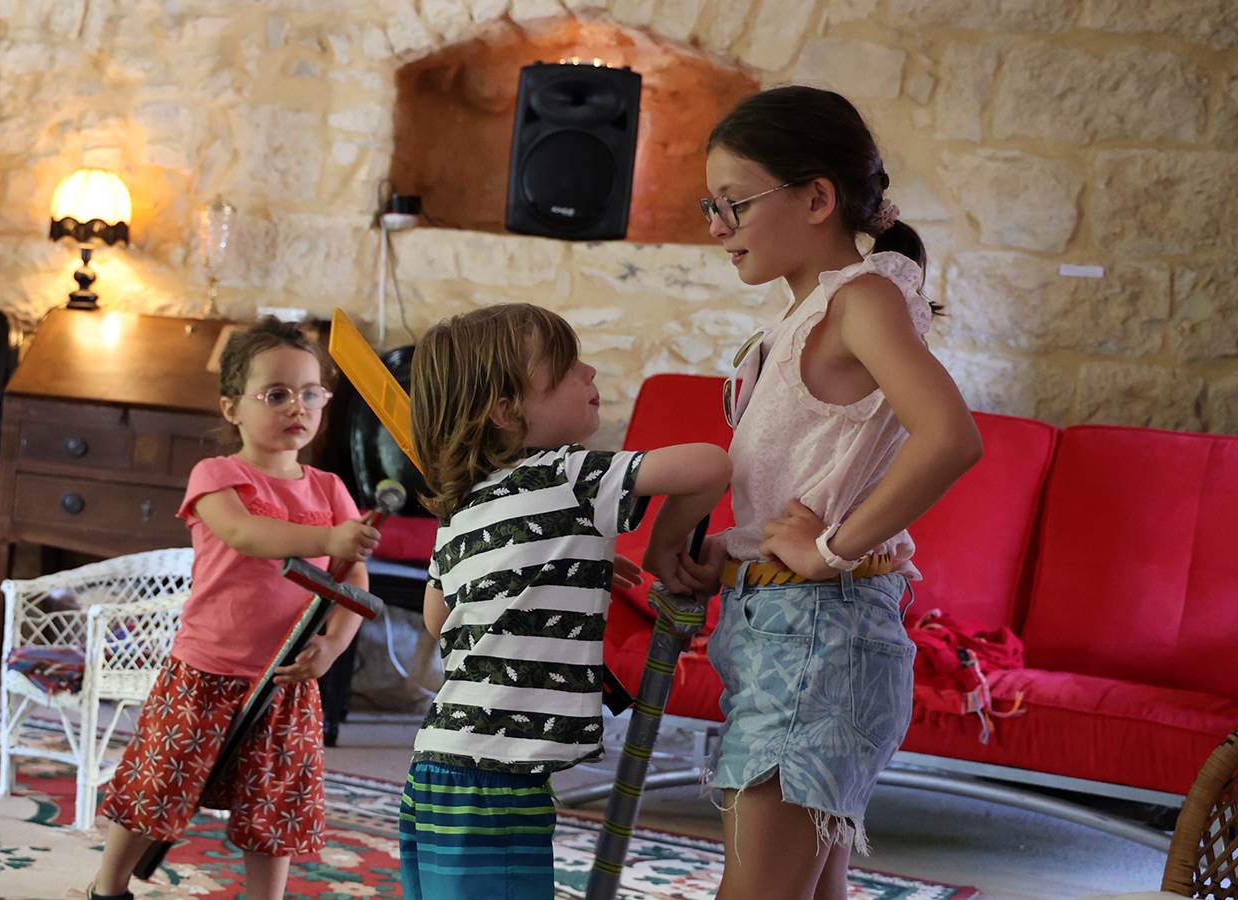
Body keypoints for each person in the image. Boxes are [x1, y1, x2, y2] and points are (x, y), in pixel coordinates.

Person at [660, 85, 983, 900]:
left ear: (817, 198)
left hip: (816, 638)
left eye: (734, 204)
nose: (715, 227)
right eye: (710, 205)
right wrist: (730, 560)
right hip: (783, 627)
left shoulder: (861, 300)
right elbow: (790, 478)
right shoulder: (798, 318)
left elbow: (952, 438)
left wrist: (827, 549)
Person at [398, 303, 732, 899]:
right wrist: (662, 551)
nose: (591, 372)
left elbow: (438, 614)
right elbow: (712, 464)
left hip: (439, 761)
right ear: (506, 410)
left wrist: (561, 561)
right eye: (568, 365)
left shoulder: (464, 509)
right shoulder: (569, 476)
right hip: (497, 776)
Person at [85, 319, 380, 900]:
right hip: (205, 671)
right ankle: (109, 886)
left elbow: (355, 580)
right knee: (157, 786)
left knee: (275, 813)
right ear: (232, 407)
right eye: (276, 394)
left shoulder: (329, 491)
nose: (297, 406)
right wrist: (329, 541)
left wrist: (333, 645)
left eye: (311, 393)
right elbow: (248, 536)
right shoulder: (218, 476)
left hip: (289, 679)